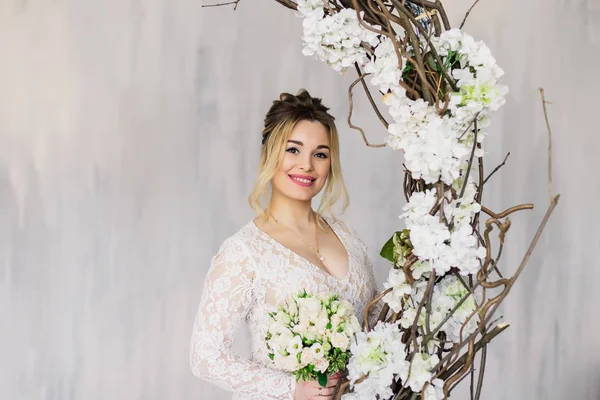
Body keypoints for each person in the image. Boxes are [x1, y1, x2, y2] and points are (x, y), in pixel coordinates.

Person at [189, 89, 381, 400]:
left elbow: (376, 320)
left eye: (320, 154)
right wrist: (291, 388)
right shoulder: (245, 251)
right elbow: (206, 357)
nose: (306, 165)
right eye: (293, 150)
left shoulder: (345, 234)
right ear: (269, 153)